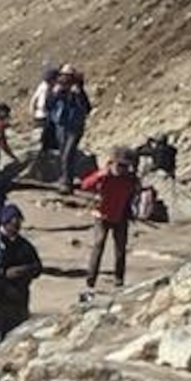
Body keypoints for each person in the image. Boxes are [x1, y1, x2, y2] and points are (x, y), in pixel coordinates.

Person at [0, 202, 43, 359]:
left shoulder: (24, 245)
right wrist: (4, 280)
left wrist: (23, 271)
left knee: (15, 338)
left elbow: (37, 267)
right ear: (5, 223)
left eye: (19, 223)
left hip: (18, 299)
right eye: (13, 223)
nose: (17, 227)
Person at [80, 146, 138, 296]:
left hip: (121, 216)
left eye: (125, 166)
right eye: (119, 165)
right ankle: (90, 279)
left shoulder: (130, 179)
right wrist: (99, 175)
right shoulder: (104, 176)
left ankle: (119, 279)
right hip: (102, 215)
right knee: (99, 244)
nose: (122, 169)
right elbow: (85, 185)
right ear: (111, 163)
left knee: (120, 249)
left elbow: (134, 193)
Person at [48, 66, 91, 195]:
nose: (65, 79)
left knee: (68, 153)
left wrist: (78, 93)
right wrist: (55, 93)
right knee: (63, 154)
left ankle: (66, 182)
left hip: (75, 126)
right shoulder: (58, 89)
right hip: (61, 124)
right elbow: (48, 105)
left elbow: (87, 108)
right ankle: (66, 179)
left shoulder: (78, 91)